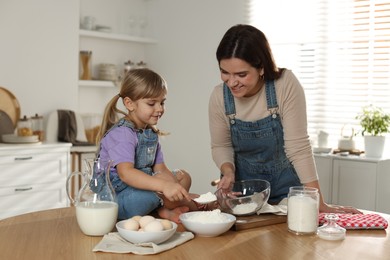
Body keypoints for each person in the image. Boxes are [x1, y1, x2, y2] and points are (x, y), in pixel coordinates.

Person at [209, 24, 360, 214]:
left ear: (261, 67)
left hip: (288, 195)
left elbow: (298, 148)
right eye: (225, 72)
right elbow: (221, 146)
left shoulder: (284, 85)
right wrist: (228, 171)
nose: (231, 82)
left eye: (241, 74)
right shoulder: (219, 97)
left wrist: (319, 203)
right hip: (243, 197)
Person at [96, 68, 202, 223]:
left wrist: (173, 186)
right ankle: (192, 206)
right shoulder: (122, 134)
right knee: (154, 195)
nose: (159, 109)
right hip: (118, 197)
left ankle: (165, 209)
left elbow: (160, 169)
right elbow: (126, 174)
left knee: (183, 177)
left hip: (141, 187)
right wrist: (166, 188)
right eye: (152, 103)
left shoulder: (150, 134)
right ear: (129, 103)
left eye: (162, 102)